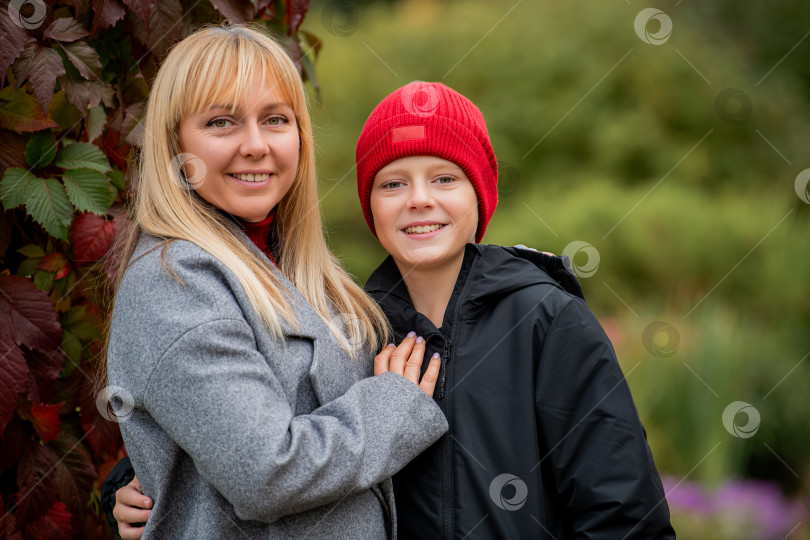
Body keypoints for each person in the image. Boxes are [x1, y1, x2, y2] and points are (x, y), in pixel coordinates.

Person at [108, 81, 677, 538]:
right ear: (370, 207)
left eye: (445, 178)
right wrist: (132, 487)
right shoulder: (352, 323)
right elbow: (248, 421)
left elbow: (624, 515)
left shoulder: (545, 322)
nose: (419, 200)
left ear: (480, 197)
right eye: (393, 183)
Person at [101, 27, 448, 540]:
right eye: (222, 122)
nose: (256, 145)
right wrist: (394, 403)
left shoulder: (299, 267)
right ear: (173, 144)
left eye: (276, 120)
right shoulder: (175, 281)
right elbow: (265, 472)